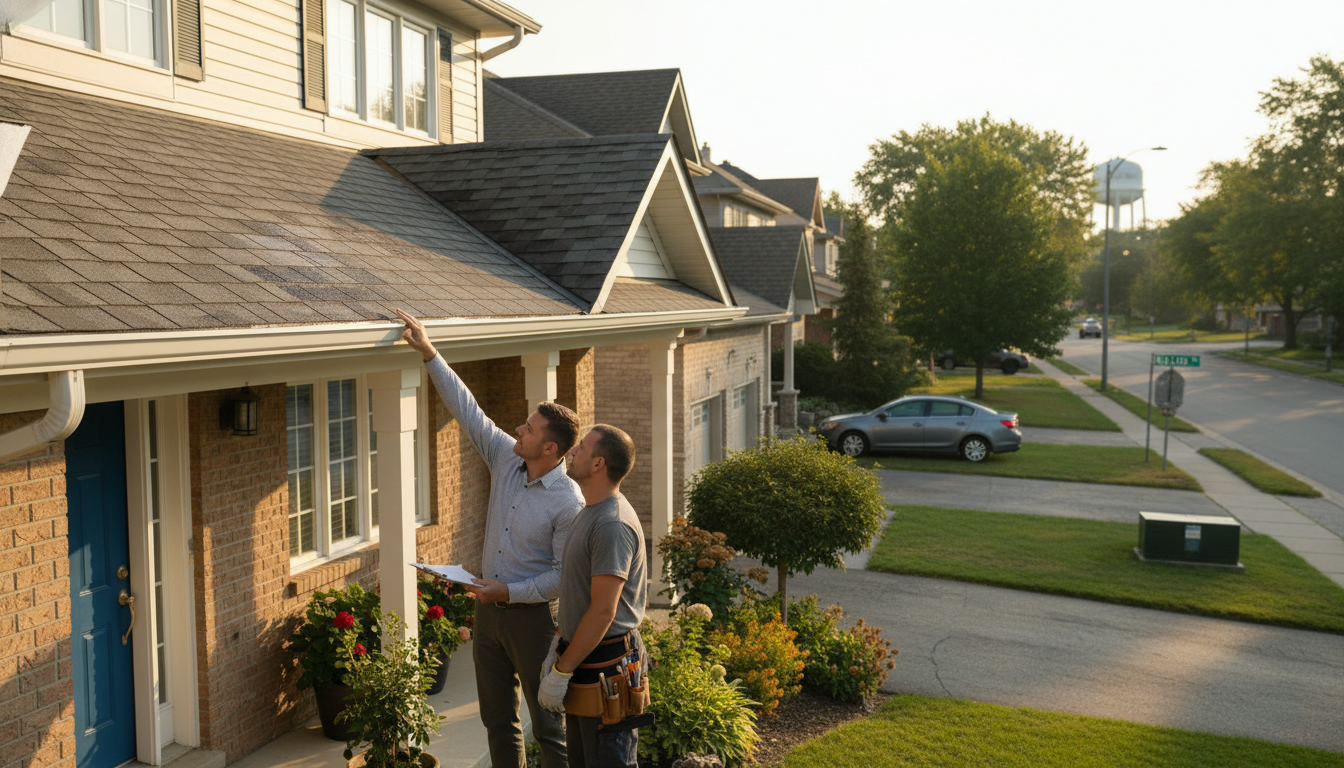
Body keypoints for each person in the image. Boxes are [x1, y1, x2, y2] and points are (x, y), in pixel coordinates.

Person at [397, 309, 581, 768]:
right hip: (488, 616)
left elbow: (562, 575)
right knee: (497, 721)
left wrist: (509, 592)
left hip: (533, 622)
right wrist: (429, 352)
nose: (517, 430)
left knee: (547, 726)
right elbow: (469, 411)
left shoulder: (568, 501)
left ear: (550, 449)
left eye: (529, 428)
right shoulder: (505, 457)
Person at [537, 424, 648, 768]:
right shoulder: (591, 511)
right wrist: (560, 642)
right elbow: (580, 592)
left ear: (598, 464)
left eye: (581, 448)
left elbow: (603, 611)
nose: (572, 451)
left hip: (607, 668)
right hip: (585, 661)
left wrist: (561, 671)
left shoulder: (611, 524)